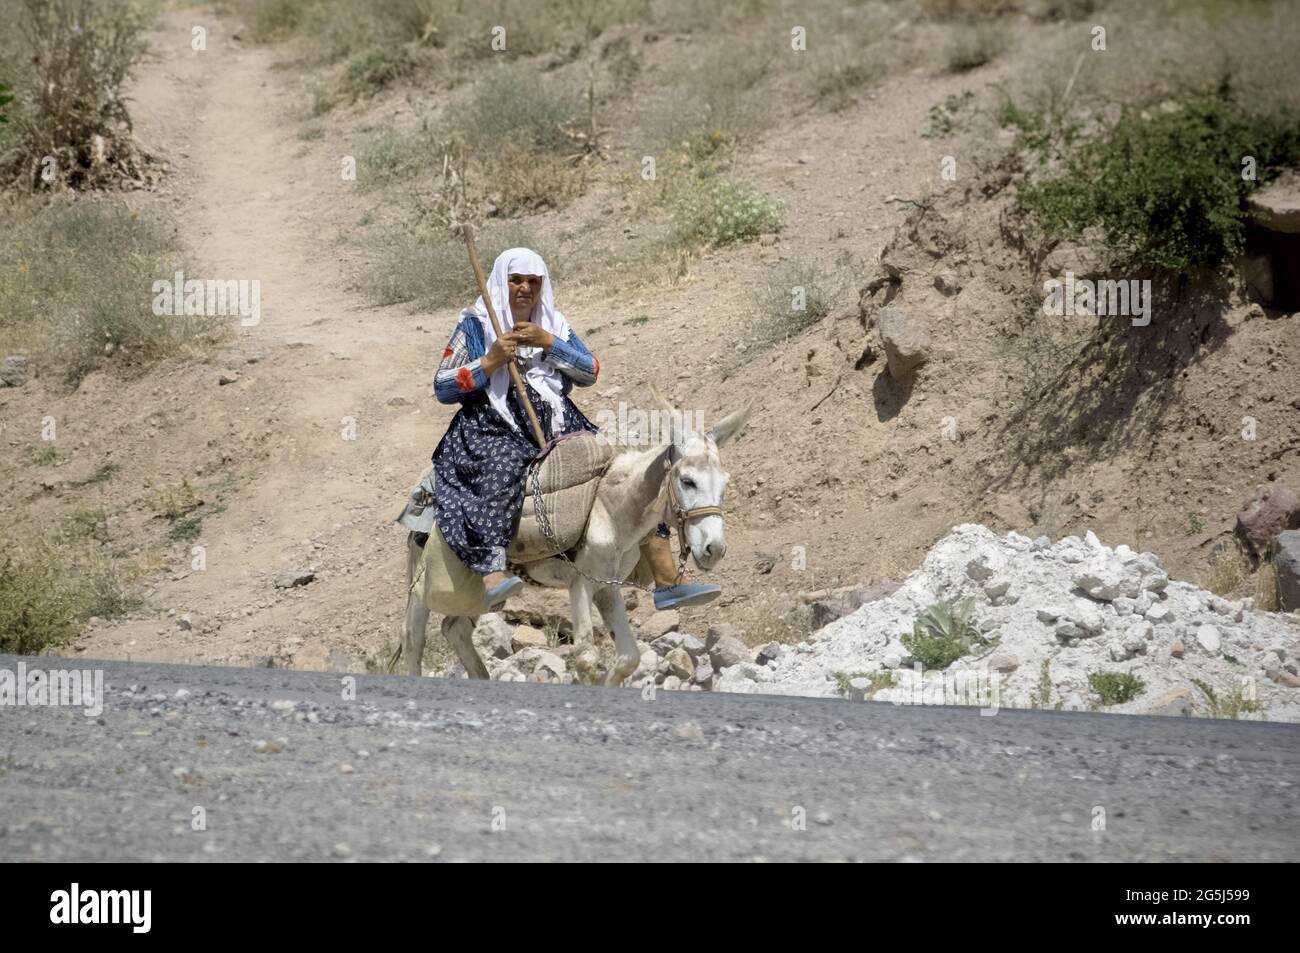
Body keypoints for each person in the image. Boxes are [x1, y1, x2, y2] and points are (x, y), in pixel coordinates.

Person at [431, 247, 720, 612]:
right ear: (501, 283)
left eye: (533, 282)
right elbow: (442, 386)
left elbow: (590, 370)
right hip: (493, 424)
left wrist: (549, 344)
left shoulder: (553, 323)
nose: (525, 289)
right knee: (498, 471)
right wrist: (489, 362)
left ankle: (664, 575)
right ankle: (492, 571)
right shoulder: (474, 323)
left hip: (557, 420)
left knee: (629, 468)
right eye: (516, 281)